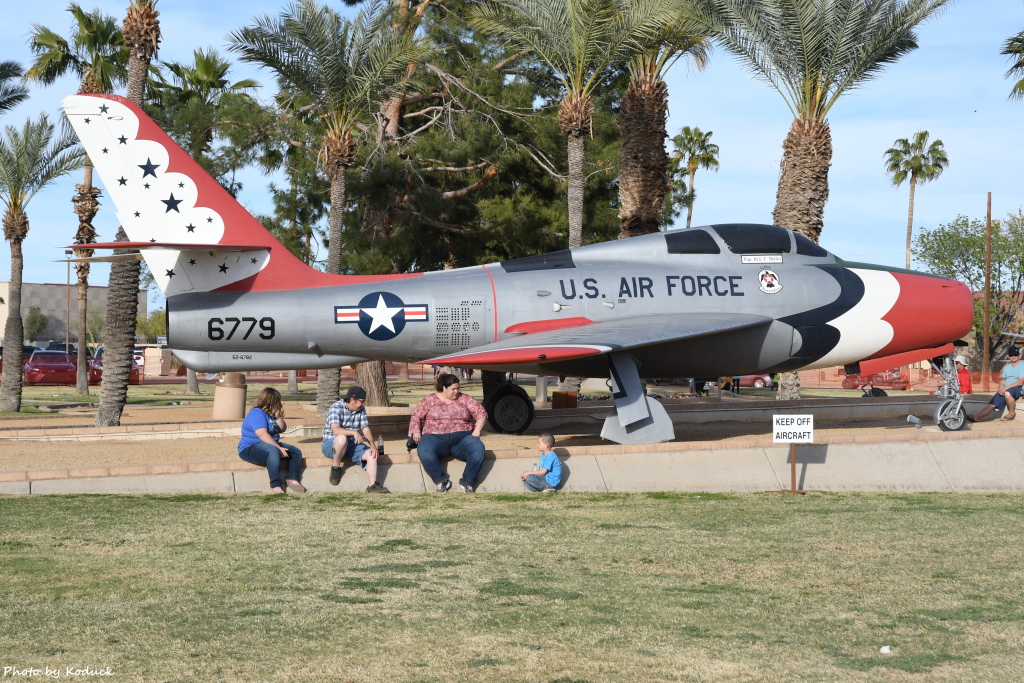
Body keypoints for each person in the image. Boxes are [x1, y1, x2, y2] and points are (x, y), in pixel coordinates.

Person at [409, 372, 487, 492]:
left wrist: (477, 430)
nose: (456, 391)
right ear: (444, 388)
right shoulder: (429, 400)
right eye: (453, 389)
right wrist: (416, 431)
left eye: (458, 388)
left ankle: (468, 482)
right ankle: (441, 481)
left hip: (463, 437)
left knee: (478, 448)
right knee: (424, 450)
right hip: (434, 437)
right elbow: (416, 416)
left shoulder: (465, 398)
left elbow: (481, 413)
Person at [322, 386, 389, 493]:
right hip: (331, 444)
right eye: (361, 401)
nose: (363, 404)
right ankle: (336, 467)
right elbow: (336, 430)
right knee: (342, 439)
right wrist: (354, 432)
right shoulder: (336, 407)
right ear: (352, 400)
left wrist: (372, 445)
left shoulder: (361, 409)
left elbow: (366, 429)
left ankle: (373, 485)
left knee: (372, 454)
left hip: (352, 445)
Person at [238, 387, 304, 493]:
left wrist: (278, 417)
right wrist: (279, 448)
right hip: (250, 448)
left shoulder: (271, 415)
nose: (279, 403)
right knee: (272, 450)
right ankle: (276, 485)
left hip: (270, 445)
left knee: (295, 452)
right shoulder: (256, 413)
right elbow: (262, 435)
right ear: (270, 400)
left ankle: (292, 478)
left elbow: (282, 429)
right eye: (277, 401)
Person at [967, 347, 1023, 422]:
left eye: (1015, 355)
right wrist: (1000, 389)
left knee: (1007, 393)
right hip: (1006, 389)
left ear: (1019, 356)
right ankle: (976, 417)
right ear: (1008, 356)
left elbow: (1020, 382)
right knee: (992, 404)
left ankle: (1011, 413)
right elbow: (1002, 381)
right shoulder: (1007, 367)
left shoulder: (1022, 365)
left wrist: (1005, 389)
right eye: (1011, 355)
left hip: (1018, 388)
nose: (1013, 356)